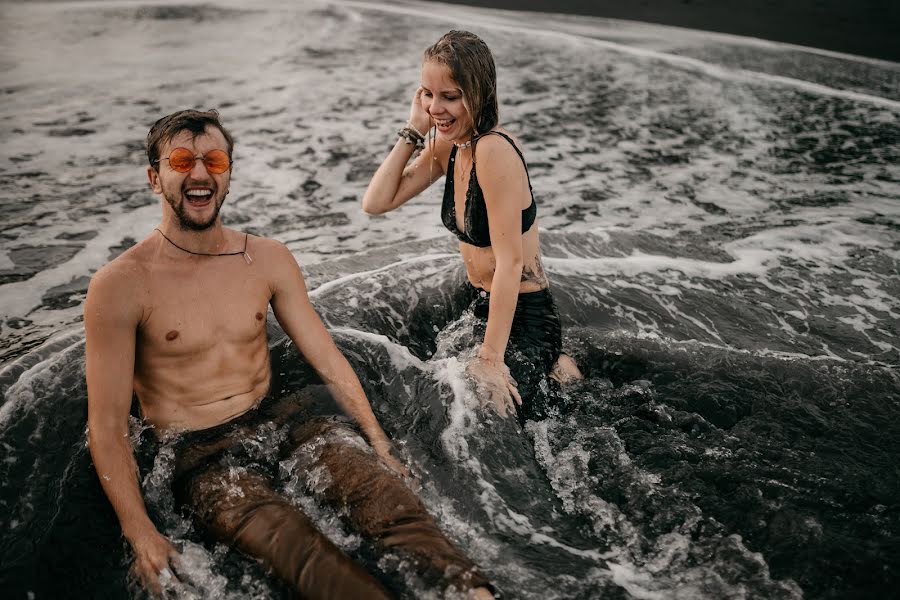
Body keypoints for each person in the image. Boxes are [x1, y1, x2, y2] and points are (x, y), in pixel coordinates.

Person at [85, 109, 493, 599]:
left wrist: (377, 440)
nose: (200, 174)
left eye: (214, 161)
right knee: (304, 555)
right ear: (156, 178)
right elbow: (106, 428)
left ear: (229, 175)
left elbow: (326, 356)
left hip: (283, 421)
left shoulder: (267, 259)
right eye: (181, 161)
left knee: (390, 504)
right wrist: (141, 533)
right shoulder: (120, 286)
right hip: (203, 458)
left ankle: (475, 593)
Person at [362, 30, 581, 422]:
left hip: (525, 317)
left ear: (478, 93)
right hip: (478, 302)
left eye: (450, 96)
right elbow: (377, 202)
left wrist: (490, 360)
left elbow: (510, 263)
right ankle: (557, 369)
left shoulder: (493, 150)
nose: (435, 108)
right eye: (427, 93)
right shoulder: (452, 144)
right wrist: (413, 130)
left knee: (482, 414)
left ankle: (556, 362)